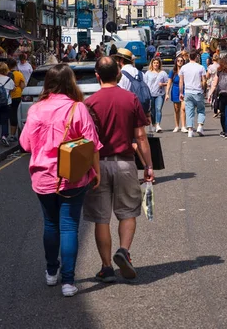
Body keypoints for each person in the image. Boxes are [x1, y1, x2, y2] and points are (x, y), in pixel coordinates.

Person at [19, 64, 102, 297]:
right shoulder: (78, 109)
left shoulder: (35, 110)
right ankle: (68, 282)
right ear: (71, 82)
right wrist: (96, 172)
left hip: (43, 177)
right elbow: (92, 144)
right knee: (69, 227)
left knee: (50, 224)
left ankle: (50, 272)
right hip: (73, 177)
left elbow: (25, 144)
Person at [84, 57, 154, 283]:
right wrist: (148, 165)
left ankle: (106, 267)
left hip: (99, 164)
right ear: (118, 74)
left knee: (101, 218)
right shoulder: (130, 99)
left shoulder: (90, 103)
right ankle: (123, 250)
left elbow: (86, 140)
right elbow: (141, 136)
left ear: (97, 76)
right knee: (127, 212)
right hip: (125, 163)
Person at [179, 49, 206, 137]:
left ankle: (190, 130)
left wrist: (181, 92)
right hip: (198, 91)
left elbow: (181, 81)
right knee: (201, 110)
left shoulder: (184, 67)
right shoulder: (201, 67)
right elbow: (204, 81)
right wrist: (204, 90)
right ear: (197, 57)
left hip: (188, 91)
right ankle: (199, 126)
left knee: (189, 111)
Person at [144, 58, 169, 133]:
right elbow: (144, 83)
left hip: (160, 94)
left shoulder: (163, 73)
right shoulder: (148, 73)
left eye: (157, 63)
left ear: (159, 64)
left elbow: (168, 82)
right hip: (150, 94)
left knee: (158, 109)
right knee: (152, 110)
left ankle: (158, 124)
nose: (156, 64)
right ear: (152, 64)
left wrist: (163, 84)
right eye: (154, 63)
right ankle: (153, 124)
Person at [166, 56, 187, 133]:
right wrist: (167, 93)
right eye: (178, 61)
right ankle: (177, 126)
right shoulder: (173, 71)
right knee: (176, 109)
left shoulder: (185, 71)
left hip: (184, 90)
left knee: (183, 108)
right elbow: (169, 83)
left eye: (181, 61)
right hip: (175, 90)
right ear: (176, 62)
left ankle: (183, 126)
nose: (180, 62)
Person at [7, 58, 25, 142]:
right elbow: (22, 86)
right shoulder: (19, 74)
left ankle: (12, 135)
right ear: (15, 65)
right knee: (19, 114)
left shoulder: (6, 74)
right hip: (18, 96)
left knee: (12, 115)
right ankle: (20, 134)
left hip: (8, 97)